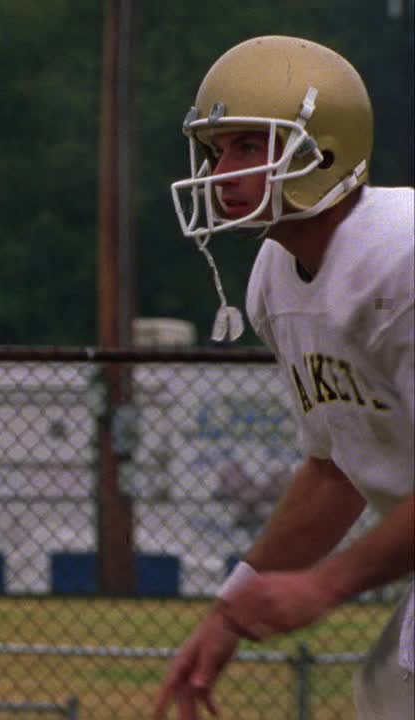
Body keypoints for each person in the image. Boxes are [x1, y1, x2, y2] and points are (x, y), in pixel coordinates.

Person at [154, 36, 414, 719]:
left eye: (246, 147)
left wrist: (324, 586)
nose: (221, 171)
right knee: (386, 694)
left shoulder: (400, 258)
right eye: (215, 151)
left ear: (323, 149)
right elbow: (336, 471)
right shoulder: (274, 277)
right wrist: (232, 608)